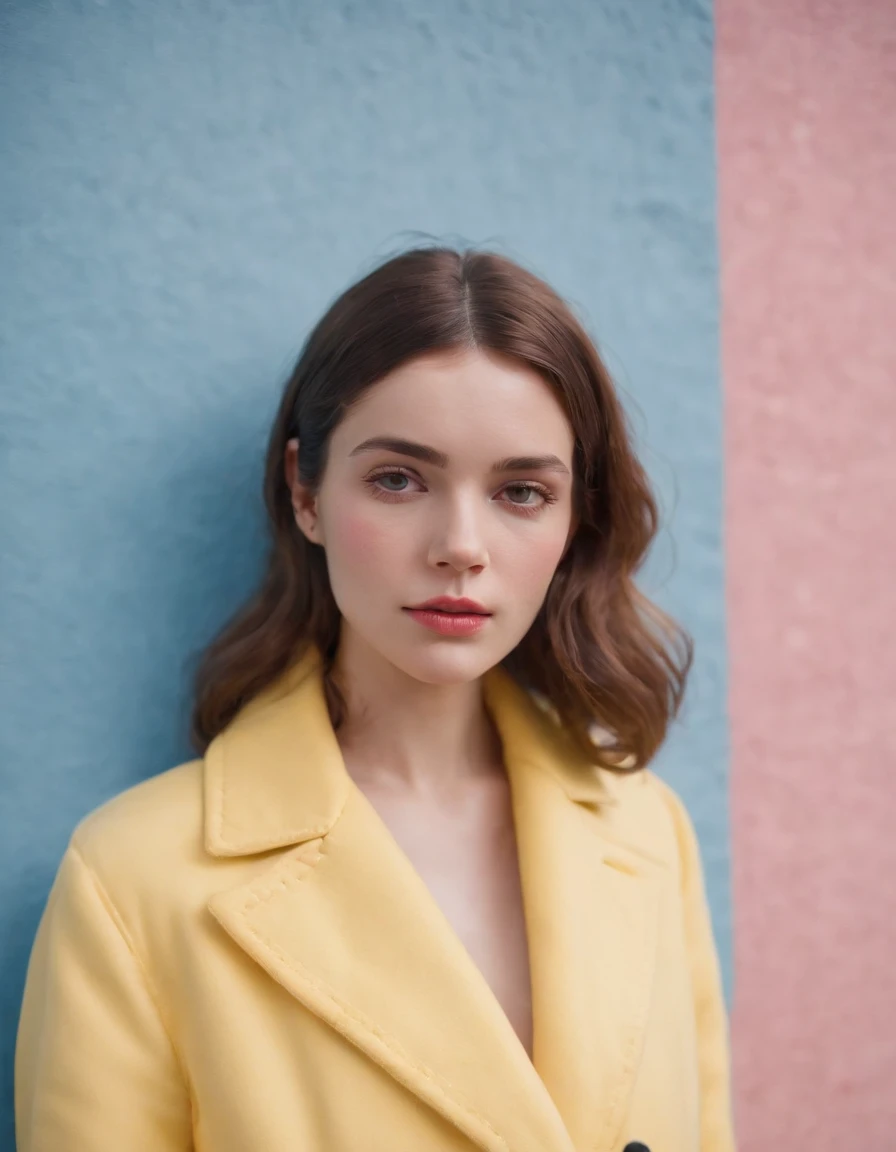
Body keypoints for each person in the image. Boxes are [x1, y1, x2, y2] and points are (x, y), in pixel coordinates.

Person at [15, 245, 736, 1151]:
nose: (460, 546)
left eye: (521, 491)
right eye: (398, 479)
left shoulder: (647, 831)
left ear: (573, 519)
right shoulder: (132, 880)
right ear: (305, 492)